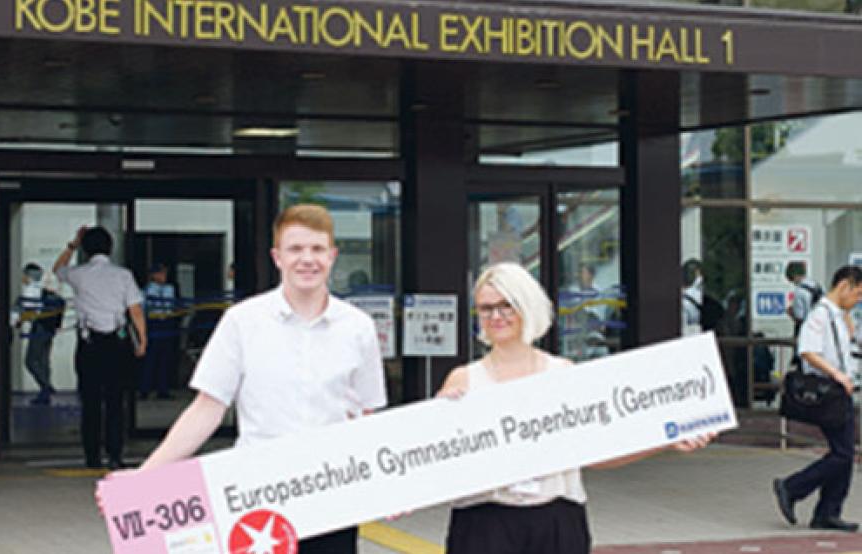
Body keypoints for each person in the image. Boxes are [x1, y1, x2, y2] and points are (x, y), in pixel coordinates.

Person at [101, 204, 386, 554]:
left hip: (332, 495)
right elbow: (207, 408)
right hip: (259, 494)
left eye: (317, 249)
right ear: (277, 256)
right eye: (295, 249)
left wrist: (385, 484)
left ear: (332, 255)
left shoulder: (358, 328)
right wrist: (146, 476)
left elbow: (369, 417)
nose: (307, 259)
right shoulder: (243, 322)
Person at [438, 262, 712, 554]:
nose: (496, 316)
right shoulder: (464, 380)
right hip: (484, 524)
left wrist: (665, 437)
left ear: (527, 306)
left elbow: (597, 452)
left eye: (507, 305)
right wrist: (437, 420)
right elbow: (435, 463)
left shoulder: (563, 375)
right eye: (485, 308)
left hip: (556, 522)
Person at [773, 265, 862, 532]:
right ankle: (792, 487)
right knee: (844, 453)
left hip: (842, 390)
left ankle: (827, 511)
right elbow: (808, 351)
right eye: (857, 293)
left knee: (844, 453)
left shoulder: (839, 316)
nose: (858, 299)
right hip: (830, 393)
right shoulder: (820, 315)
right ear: (844, 285)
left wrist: (851, 331)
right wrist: (838, 375)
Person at [54, 226, 147, 469]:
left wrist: (72, 245)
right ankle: (115, 455)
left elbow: (57, 269)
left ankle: (92, 456)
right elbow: (135, 311)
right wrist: (143, 339)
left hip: (89, 345)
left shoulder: (79, 274)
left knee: (91, 401)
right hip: (117, 343)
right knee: (116, 401)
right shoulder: (123, 275)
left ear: (85, 250)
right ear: (111, 248)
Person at [16, 262, 64, 406]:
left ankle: (46, 386)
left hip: (39, 328)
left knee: (31, 360)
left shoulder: (30, 290)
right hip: (49, 329)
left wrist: (19, 319)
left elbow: (29, 311)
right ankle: (45, 391)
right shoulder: (44, 290)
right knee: (43, 360)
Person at [141, 262, 177, 400]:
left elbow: (172, 305)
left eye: (164, 273)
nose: (163, 276)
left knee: (165, 357)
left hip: (166, 322)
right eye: (160, 273)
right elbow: (144, 308)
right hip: (153, 323)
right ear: (153, 275)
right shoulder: (147, 290)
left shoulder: (170, 289)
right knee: (151, 358)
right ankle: (145, 388)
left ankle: (163, 389)